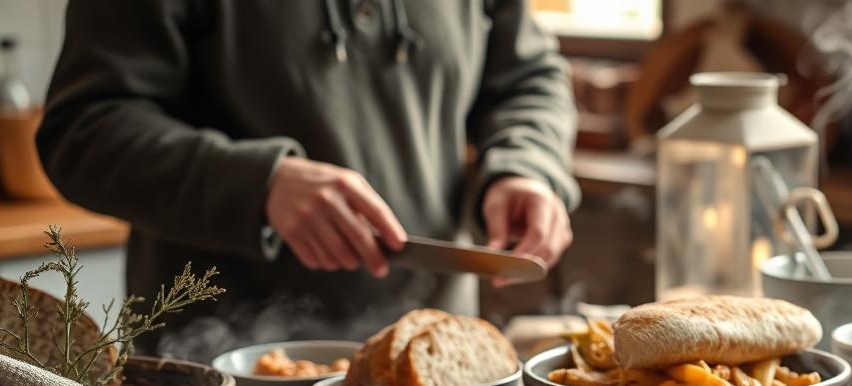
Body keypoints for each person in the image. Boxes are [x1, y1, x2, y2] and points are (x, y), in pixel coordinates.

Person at [37, 0, 578, 357]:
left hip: (438, 370)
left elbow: (529, 78)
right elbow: (83, 132)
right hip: (218, 383)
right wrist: (260, 184)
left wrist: (528, 167)